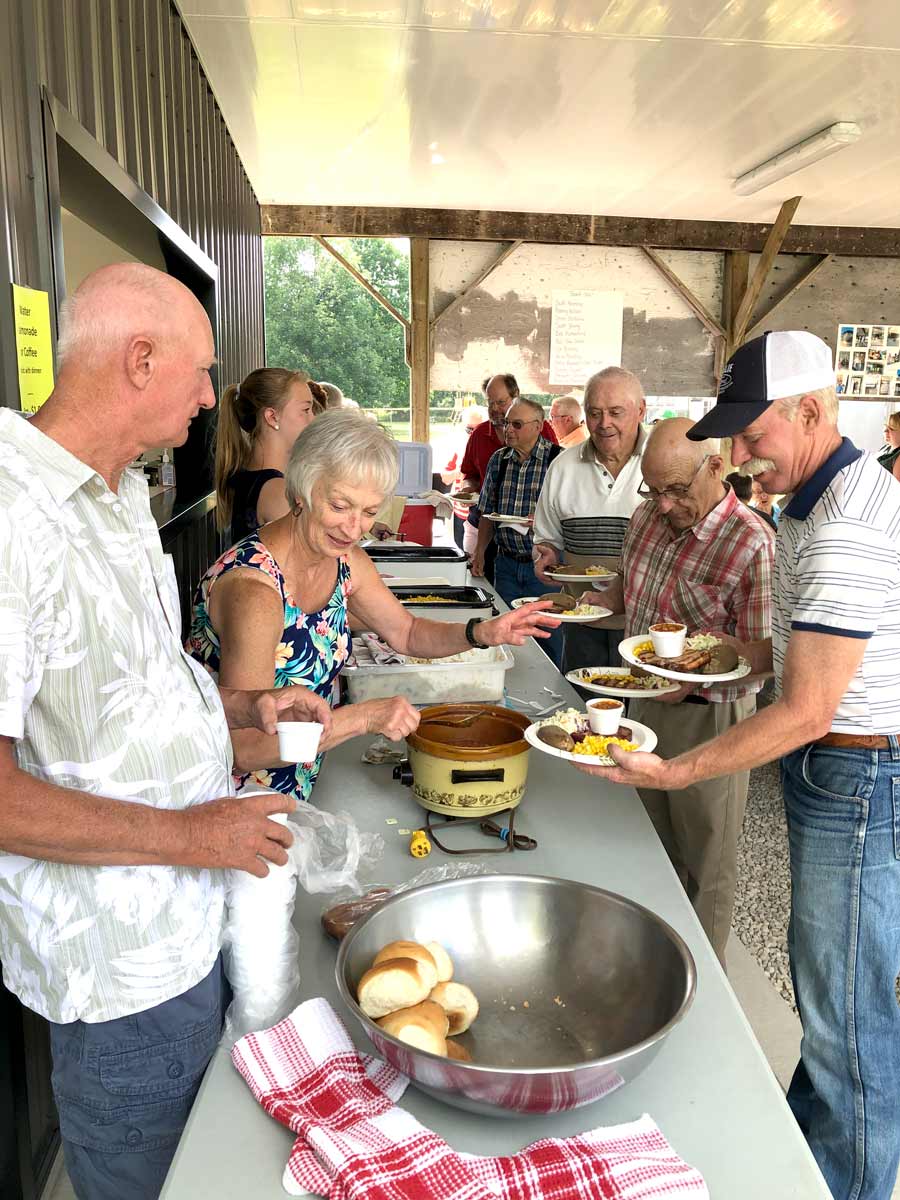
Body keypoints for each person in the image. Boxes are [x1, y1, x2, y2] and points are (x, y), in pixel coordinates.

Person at [0, 263, 336, 1200]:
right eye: (201, 371)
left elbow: (125, 691)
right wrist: (192, 835)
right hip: (121, 973)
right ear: (140, 359)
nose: (208, 396)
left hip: (192, 926)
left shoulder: (113, 497)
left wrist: (240, 710)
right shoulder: (12, 514)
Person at [579, 330, 900, 1200]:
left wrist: (677, 771)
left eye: (754, 434)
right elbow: (790, 650)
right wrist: (719, 656)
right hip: (840, 770)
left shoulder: (840, 527)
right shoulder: (810, 502)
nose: (743, 454)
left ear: (813, 411)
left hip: (860, 774)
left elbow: (808, 707)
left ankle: (846, 1183)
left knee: (849, 1020)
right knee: (829, 999)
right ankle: (806, 1164)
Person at [189, 408, 562, 801]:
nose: (354, 528)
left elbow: (406, 632)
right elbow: (246, 748)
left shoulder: (344, 560)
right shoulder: (254, 591)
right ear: (300, 490)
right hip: (235, 800)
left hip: (301, 780)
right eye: (339, 506)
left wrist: (482, 632)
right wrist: (363, 716)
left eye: (368, 512)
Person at [594, 420, 774, 966]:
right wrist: (576, 603)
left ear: (716, 467)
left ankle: (705, 983)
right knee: (646, 841)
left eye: (675, 489)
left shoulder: (751, 542)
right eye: (654, 490)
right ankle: (650, 963)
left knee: (705, 860)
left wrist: (692, 679)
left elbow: (761, 661)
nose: (665, 505)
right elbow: (624, 592)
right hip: (642, 702)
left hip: (710, 720)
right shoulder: (645, 518)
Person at [532, 367, 648, 673]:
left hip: (648, 627)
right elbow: (547, 539)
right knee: (582, 700)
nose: (604, 423)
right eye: (595, 413)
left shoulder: (661, 462)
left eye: (615, 412)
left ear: (641, 410)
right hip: (582, 622)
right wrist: (546, 555)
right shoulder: (563, 467)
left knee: (644, 701)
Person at [459, 374, 557, 584]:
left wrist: (545, 519)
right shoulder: (495, 454)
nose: (509, 429)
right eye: (490, 402)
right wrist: (480, 551)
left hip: (543, 561)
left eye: (500, 402)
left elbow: (569, 511)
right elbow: (485, 508)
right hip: (503, 557)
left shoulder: (556, 458)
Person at [214, 367, 323, 542]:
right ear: (272, 417)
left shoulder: (248, 475)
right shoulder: (278, 491)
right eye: (306, 410)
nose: (313, 419)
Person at [441, 404, 487, 550]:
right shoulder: (459, 446)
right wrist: (462, 471)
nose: (473, 434)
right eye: (469, 429)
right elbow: (445, 478)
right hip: (461, 513)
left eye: (478, 429)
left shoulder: (490, 448)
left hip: (484, 515)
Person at [877, 410, 900, 480]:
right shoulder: (886, 447)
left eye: (891, 429)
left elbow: (896, 485)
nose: (885, 431)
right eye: (886, 427)